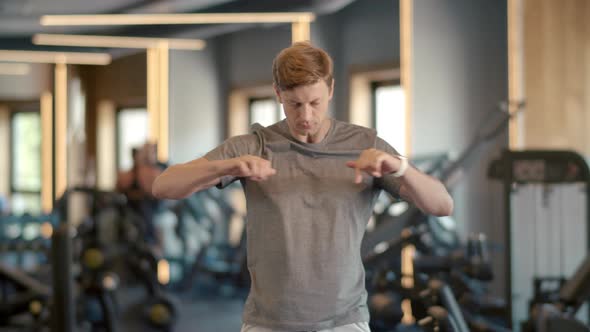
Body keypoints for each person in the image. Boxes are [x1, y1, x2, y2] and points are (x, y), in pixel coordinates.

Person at [152, 41, 453, 332]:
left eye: (314, 102)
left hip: (344, 321)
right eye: (295, 104)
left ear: (331, 89)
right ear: (277, 94)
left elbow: (442, 205)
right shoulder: (254, 145)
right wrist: (228, 166)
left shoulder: (365, 145)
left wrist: (399, 167)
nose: (305, 116)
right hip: (267, 322)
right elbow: (164, 186)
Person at [117, 143, 164, 248]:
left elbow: (155, 193)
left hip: (149, 209)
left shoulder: (154, 172)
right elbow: (120, 189)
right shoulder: (129, 174)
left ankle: (149, 242)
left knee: (145, 209)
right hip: (133, 209)